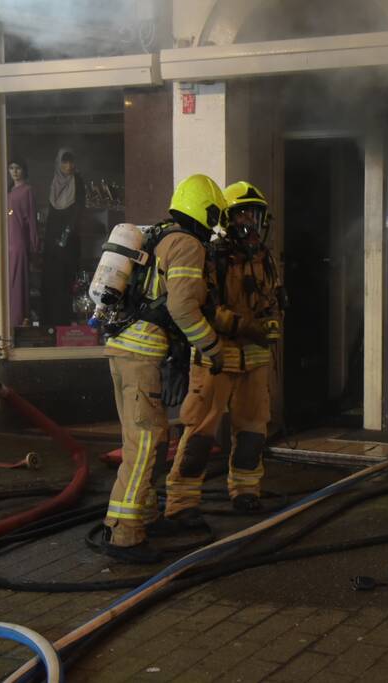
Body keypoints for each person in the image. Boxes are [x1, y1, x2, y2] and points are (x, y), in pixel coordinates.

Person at [100, 174, 227, 564]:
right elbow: (183, 308)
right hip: (140, 355)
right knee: (144, 443)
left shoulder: (159, 235)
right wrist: (212, 346)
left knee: (149, 440)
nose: (215, 226)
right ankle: (123, 534)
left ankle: (144, 517)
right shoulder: (187, 245)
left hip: (126, 350)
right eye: (215, 217)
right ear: (205, 211)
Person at [162, 181, 282, 526]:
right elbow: (207, 308)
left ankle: (246, 491)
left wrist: (272, 324)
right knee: (200, 433)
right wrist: (245, 326)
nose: (249, 221)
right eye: (242, 214)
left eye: (254, 214)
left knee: (253, 432)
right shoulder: (212, 256)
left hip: (255, 358)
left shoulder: (265, 259)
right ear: (227, 219)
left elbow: (272, 300)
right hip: (216, 357)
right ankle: (181, 504)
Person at [0, 158, 39, 326]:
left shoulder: (27, 191)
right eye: (11, 168)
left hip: (18, 241)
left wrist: (34, 245)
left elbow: (32, 220)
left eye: (17, 168)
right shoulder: (7, 191)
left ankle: (14, 322)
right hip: (3, 241)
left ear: (23, 170)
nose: (14, 172)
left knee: (15, 282)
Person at [41, 148, 85, 326]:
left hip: (69, 240)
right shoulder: (53, 181)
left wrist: (66, 235)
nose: (68, 166)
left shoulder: (77, 181)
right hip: (52, 240)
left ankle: (66, 323)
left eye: (71, 161)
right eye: (64, 162)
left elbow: (79, 211)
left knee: (67, 280)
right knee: (52, 280)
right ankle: (50, 322)